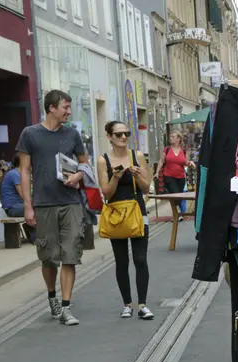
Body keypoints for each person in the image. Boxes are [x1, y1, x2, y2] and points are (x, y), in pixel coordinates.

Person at [17, 89, 89, 326]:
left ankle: (66, 307)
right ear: (51, 108)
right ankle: (52, 296)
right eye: (65, 108)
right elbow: (24, 171)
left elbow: (84, 164)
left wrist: (78, 175)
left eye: (69, 108)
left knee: (70, 255)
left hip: (70, 202)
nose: (68, 112)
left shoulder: (72, 135)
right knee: (48, 258)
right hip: (44, 203)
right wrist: (28, 206)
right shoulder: (30, 134)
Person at [97, 121, 155, 320]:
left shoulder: (137, 156)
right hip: (116, 214)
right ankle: (127, 304)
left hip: (137, 211)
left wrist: (138, 177)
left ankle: (143, 304)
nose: (123, 137)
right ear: (109, 137)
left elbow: (147, 188)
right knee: (121, 261)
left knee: (140, 259)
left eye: (126, 134)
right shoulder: (103, 160)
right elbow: (106, 193)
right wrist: (115, 177)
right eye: (119, 134)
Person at [155, 131, 195, 219]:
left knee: (178, 195)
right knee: (175, 192)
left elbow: (186, 162)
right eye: (170, 137)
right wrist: (157, 172)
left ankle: (177, 214)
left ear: (178, 139)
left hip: (181, 177)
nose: (170, 138)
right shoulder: (167, 149)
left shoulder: (183, 151)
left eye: (173, 137)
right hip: (168, 175)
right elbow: (161, 161)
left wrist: (190, 163)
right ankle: (178, 213)